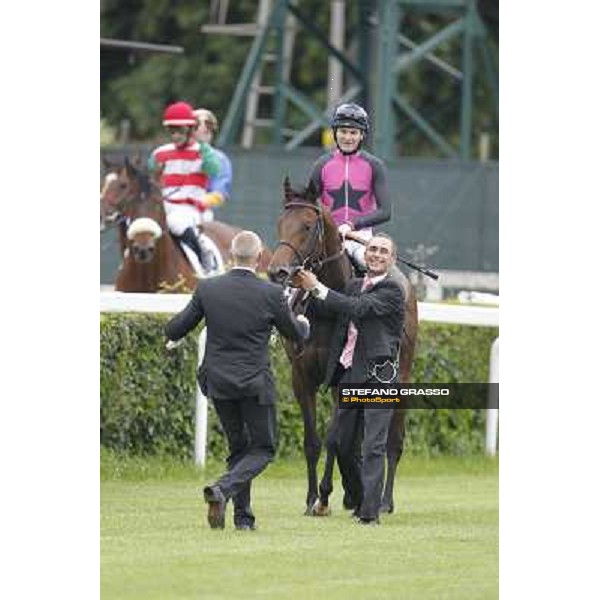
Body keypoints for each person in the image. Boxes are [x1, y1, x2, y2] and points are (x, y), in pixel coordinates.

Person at [165, 231, 310, 531]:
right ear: (259, 259)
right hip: (254, 384)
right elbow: (294, 334)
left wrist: (174, 332)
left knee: (239, 450)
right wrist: (305, 325)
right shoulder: (270, 294)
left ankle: (243, 519)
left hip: (219, 383)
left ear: (231, 256)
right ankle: (222, 489)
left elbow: (176, 328)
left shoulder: (208, 289)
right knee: (263, 449)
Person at [296, 233, 405, 525]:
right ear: (365, 254)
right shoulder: (355, 285)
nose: (377, 254)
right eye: (372, 249)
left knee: (372, 445)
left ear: (391, 260)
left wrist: (317, 287)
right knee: (340, 443)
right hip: (350, 375)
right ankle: (360, 500)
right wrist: (304, 291)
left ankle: (369, 513)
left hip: (379, 379)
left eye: (384, 251)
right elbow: (331, 307)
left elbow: (356, 308)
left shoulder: (393, 291)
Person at [308, 103, 393, 271]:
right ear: (335, 133)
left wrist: (352, 225)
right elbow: (309, 206)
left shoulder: (375, 166)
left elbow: (385, 211)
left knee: (377, 268)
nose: (347, 137)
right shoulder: (321, 165)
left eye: (353, 132)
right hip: (326, 238)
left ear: (362, 135)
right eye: (343, 131)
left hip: (359, 239)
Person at [148, 101, 222, 273]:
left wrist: (203, 145)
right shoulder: (159, 153)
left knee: (175, 222)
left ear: (190, 129)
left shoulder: (203, 152)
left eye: (179, 130)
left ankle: (203, 256)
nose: (175, 135)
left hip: (189, 208)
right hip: (163, 205)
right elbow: (150, 178)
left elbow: (214, 170)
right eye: (171, 130)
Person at [193, 108, 233, 222]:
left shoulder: (220, 159)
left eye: (210, 124)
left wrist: (196, 202)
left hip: (201, 214)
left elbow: (219, 194)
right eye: (200, 123)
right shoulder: (173, 152)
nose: (206, 128)